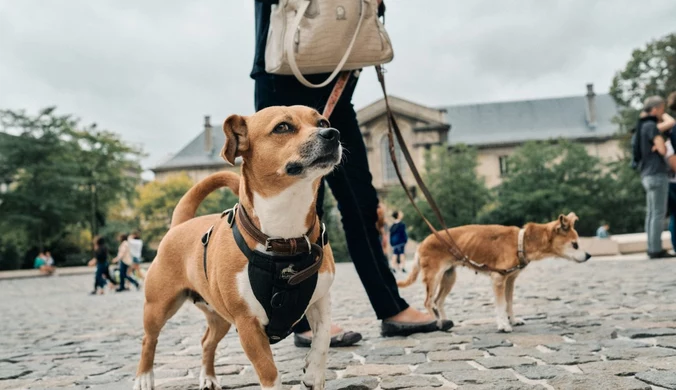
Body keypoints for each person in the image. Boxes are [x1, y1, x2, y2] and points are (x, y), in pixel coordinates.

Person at [252, 0, 452, 346]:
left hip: (337, 84)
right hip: (282, 77)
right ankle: (300, 319)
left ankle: (390, 307)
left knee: (361, 203)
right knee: (298, 209)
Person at [636, 96, 675, 259]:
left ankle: (651, 246)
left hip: (645, 174)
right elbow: (662, 150)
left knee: (651, 213)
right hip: (656, 173)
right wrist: (660, 143)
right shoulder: (651, 126)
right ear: (656, 109)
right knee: (658, 213)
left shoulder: (640, 127)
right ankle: (656, 249)